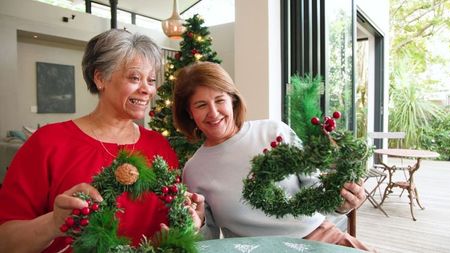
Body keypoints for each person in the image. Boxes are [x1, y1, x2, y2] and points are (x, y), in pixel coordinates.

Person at [0, 29, 203, 253]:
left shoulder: (159, 147)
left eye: (151, 80)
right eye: (135, 78)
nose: (147, 89)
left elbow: (171, 222)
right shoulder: (48, 143)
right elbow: (6, 241)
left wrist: (191, 220)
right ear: (100, 78)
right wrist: (52, 224)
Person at [172, 62, 375, 251]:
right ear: (189, 112)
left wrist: (341, 202)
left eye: (219, 100)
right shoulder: (194, 170)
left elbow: (316, 188)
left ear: (232, 100)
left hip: (317, 238)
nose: (214, 113)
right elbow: (210, 241)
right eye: (201, 105)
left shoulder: (274, 131)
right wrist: (197, 226)